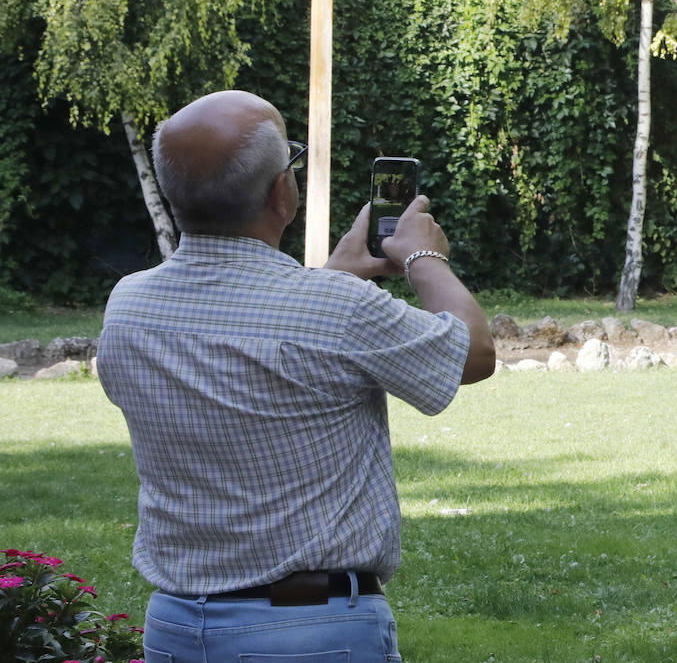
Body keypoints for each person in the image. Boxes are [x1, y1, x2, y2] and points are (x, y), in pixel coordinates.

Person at [97, 89, 495, 661]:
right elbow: (473, 354)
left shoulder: (129, 304)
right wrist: (422, 256)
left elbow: (249, 345)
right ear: (283, 192)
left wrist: (334, 275)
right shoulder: (336, 311)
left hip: (178, 628)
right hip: (313, 633)